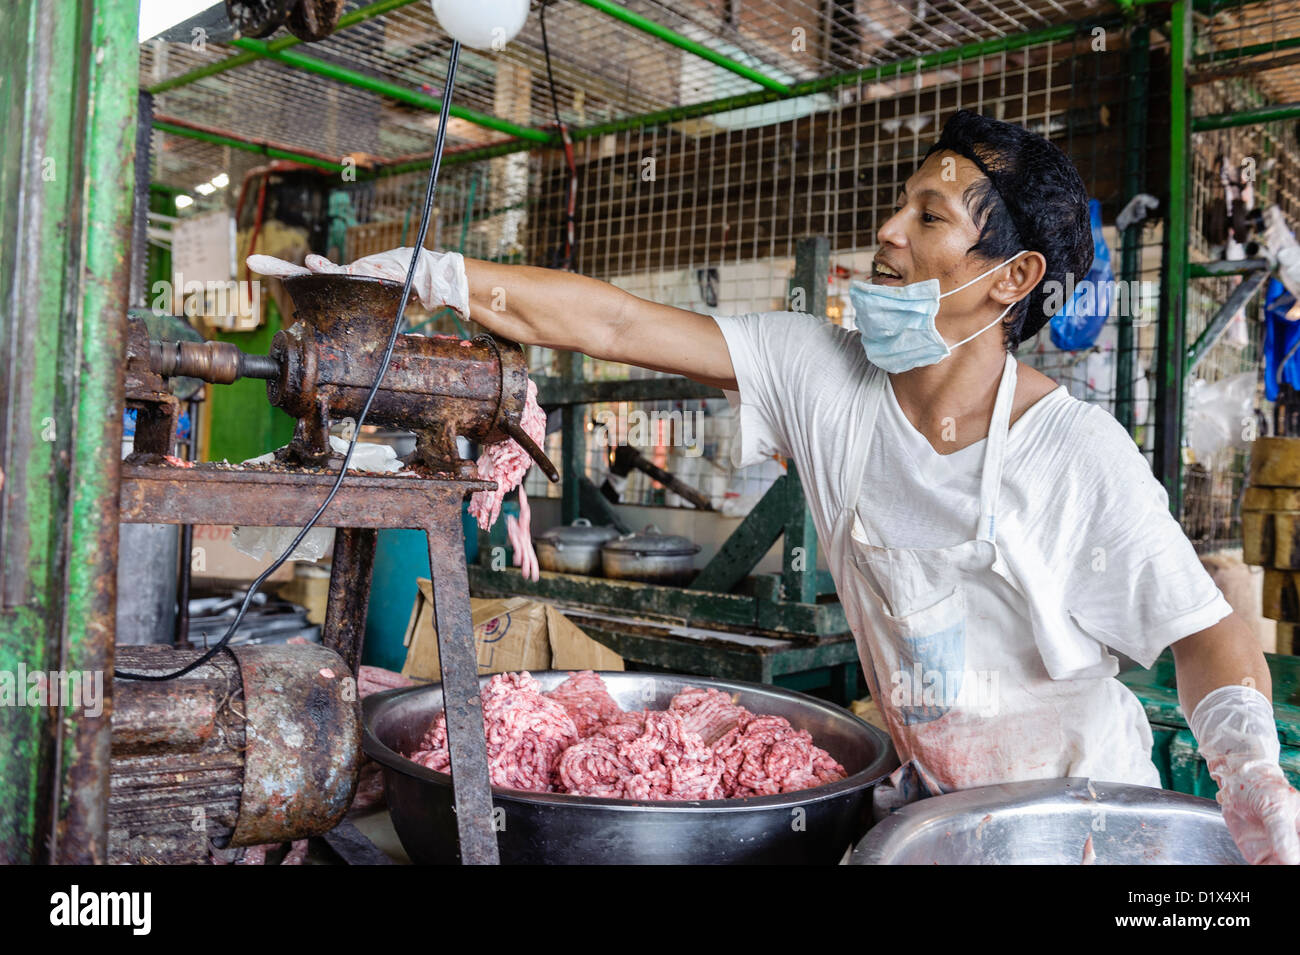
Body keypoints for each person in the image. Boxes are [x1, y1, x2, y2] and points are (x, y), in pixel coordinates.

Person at [251, 110, 1299, 864]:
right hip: (927, 810)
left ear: (1011, 279)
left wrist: (1251, 776)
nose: (886, 231)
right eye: (898, 204)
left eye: (928, 217)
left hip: (1076, 827)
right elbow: (612, 323)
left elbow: (1204, 633)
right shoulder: (822, 372)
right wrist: (433, 276)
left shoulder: (1075, 457)